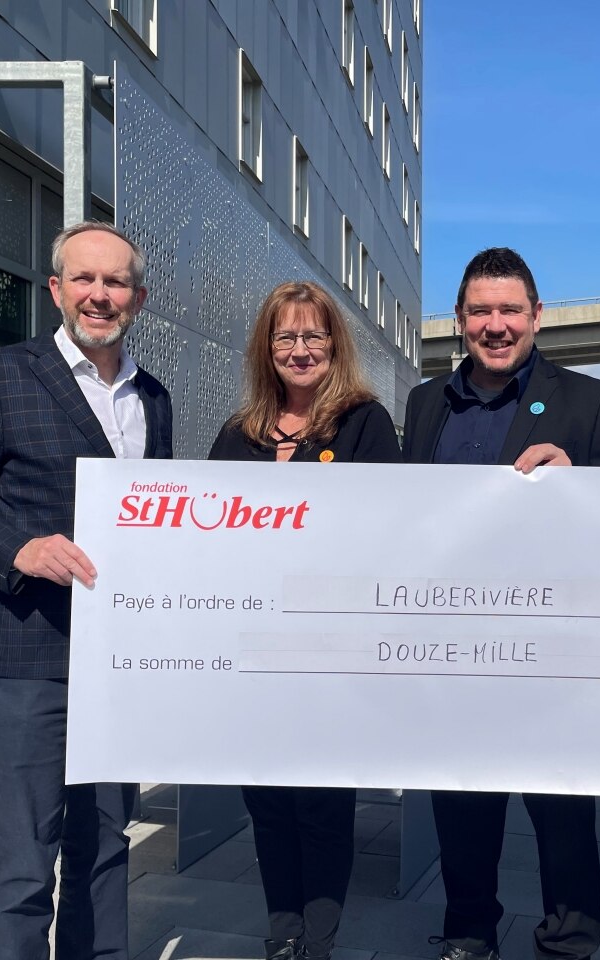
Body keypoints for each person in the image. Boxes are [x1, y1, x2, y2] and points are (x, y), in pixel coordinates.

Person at [0, 221, 173, 960]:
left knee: (104, 846)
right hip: (26, 656)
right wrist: (18, 548)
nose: (101, 294)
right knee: (26, 859)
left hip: (117, 662)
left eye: (116, 282)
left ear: (139, 297)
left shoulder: (152, 398)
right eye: (85, 279)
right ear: (57, 289)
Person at [402, 247, 600, 960]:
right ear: (459, 321)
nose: (496, 325)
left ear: (537, 317)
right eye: (481, 311)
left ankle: (569, 939)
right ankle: (470, 929)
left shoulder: (589, 401)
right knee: (461, 800)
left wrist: (581, 483)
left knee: (561, 808)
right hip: (453, 645)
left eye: (510, 310)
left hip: (551, 648)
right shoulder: (423, 403)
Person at [208, 279, 400, 960]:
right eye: (284, 336)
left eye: (312, 335)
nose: (299, 348)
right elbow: (207, 538)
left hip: (330, 651)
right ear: (267, 347)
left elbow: (386, 532)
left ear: (333, 344)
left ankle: (318, 937)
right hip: (254, 653)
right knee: (266, 798)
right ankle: (281, 929)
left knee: (321, 801)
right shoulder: (237, 435)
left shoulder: (364, 423)